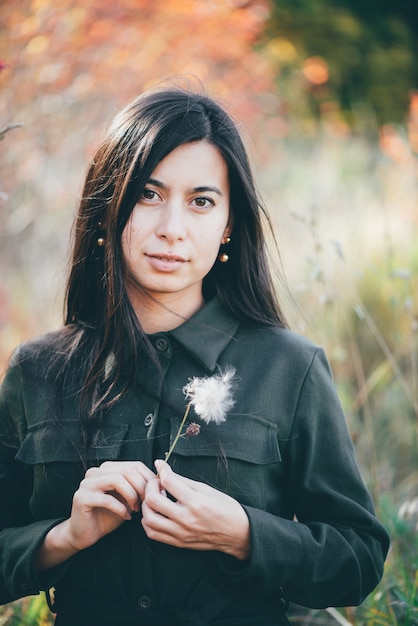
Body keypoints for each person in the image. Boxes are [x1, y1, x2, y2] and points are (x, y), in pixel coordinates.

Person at [0, 86, 389, 626]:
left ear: (229, 224)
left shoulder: (289, 367)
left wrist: (243, 535)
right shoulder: (38, 370)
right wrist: (64, 537)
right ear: (109, 204)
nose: (172, 229)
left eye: (201, 201)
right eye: (148, 194)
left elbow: (359, 560)